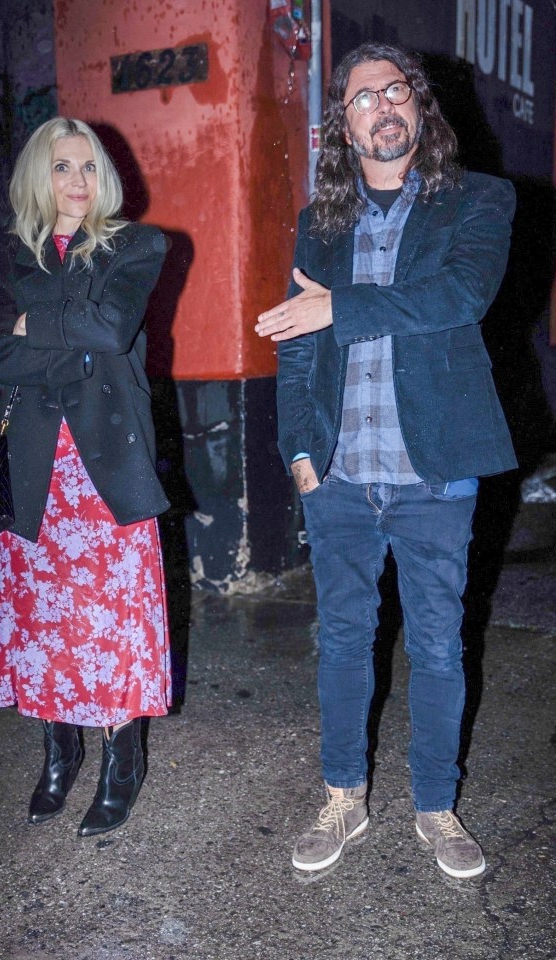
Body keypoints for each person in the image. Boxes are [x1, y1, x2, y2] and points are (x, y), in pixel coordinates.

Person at [255, 42, 516, 878]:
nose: (383, 105)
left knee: (439, 646)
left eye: (395, 90)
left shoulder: (479, 201)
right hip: (336, 473)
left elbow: (459, 296)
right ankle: (343, 798)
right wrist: (299, 451)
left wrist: (343, 307)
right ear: (344, 128)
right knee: (342, 641)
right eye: (363, 98)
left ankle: (436, 807)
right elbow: (298, 347)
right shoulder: (319, 226)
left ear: (420, 106)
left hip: (433, 471)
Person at [0, 117, 172, 838]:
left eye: (90, 167)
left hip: (104, 460)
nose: (79, 182)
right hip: (32, 462)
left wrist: (35, 328)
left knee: (112, 614)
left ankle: (125, 757)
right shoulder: (5, 255)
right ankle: (59, 752)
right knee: (46, 614)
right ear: (40, 175)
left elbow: (111, 330)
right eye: (63, 167)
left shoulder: (137, 245)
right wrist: (53, 330)